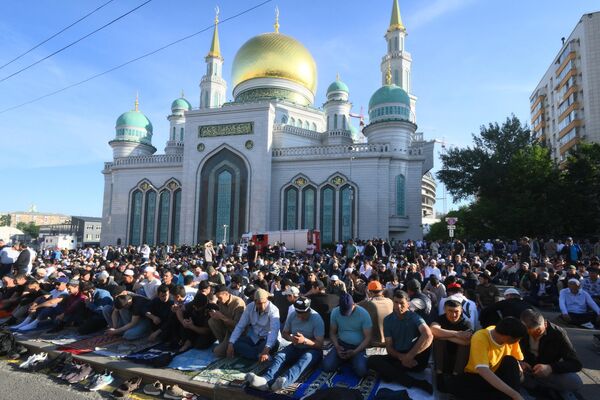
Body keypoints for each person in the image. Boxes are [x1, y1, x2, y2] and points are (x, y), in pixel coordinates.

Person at [246, 297, 324, 391]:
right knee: (280, 356)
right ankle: (265, 380)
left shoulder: (317, 319)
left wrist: (304, 341)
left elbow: (320, 345)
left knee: (305, 359)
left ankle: (284, 381)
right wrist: (292, 338)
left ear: (308, 310)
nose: (300, 316)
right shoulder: (293, 315)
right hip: (295, 346)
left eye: (303, 314)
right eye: (298, 313)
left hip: (312, 349)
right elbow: (284, 333)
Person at [367, 290, 434, 394]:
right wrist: (403, 358)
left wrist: (410, 356)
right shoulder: (388, 320)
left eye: (401, 303)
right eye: (396, 302)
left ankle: (397, 373)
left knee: (387, 375)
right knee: (372, 360)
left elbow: (428, 335)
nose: (398, 306)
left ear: (408, 303)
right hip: (400, 356)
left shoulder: (415, 317)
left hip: (415, 358)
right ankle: (416, 382)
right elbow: (389, 347)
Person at [449, 317, 527, 400]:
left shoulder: (506, 335)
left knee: (510, 361)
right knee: (457, 386)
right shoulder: (481, 337)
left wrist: (520, 375)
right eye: (517, 339)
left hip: (497, 375)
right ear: (506, 337)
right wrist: (515, 395)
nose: (518, 342)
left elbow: (516, 361)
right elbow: (483, 370)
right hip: (477, 377)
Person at [519, 310, 583, 396]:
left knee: (575, 381)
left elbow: (576, 364)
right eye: (530, 333)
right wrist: (519, 363)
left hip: (547, 373)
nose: (535, 336)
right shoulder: (519, 331)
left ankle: (537, 387)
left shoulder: (558, 333)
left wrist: (551, 368)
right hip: (525, 372)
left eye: (538, 331)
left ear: (545, 324)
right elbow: (507, 352)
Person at [322, 293, 372, 377]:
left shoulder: (363, 314)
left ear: (354, 304)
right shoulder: (335, 312)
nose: (345, 314)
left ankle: (350, 359)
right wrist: (337, 346)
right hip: (342, 345)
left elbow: (368, 337)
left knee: (362, 371)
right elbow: (332, 332)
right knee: (326, 366)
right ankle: (349, 359)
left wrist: (355, 352)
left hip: (358, 347)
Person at [430, 299, 472, 391]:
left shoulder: (466, 323)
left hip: (458, 357)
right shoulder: (439, 319)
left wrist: (443, 336)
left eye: (456, 312)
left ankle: (456, 376)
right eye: (450, 311)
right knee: (438, 341)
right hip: (443, 355)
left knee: (464, 346)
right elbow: (433, 330)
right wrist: (457, 334)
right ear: (445, 310)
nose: (453, 315)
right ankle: (439, 374)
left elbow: (466, 342)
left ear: (461, 311)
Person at [228, 288, 280, 361]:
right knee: (235, 343)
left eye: (264, 302)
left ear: (267, 300)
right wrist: (231, 343)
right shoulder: (250, 307)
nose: (262, 306)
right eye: (259, 303)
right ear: (255, 302)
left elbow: (274, 331)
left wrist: (266, 348)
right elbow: (240, 326)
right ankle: (258, 355)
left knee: (268, 346)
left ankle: (257, 354)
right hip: (255, 338)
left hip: (268, 340)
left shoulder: (274, 310)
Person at [208, 285, 246, 357]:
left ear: (226, 294)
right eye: (217, 298)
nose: (218, 300)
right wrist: (216, 316)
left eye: (219, 297)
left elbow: (238, 326)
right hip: (228, 330)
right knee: (211, 321)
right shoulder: (221, 302)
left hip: (237, 333)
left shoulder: (238, 303)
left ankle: (228, 346)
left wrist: (221, 317)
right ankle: (223, 343)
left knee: (217, 352)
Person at [358, 280, 393, 347]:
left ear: (370, 292)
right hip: (388, 340)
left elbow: (353, 306)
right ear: (381, 290)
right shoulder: (390, 301)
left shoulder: (367, 303)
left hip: (374, 342)